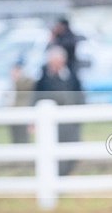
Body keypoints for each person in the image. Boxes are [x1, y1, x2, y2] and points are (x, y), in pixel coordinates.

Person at [33, 46, 85, 176]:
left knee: (72, 151)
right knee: (52, 152)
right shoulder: (43, 79)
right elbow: (36, 97)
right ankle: (57, 176)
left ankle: (64, 175)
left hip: (70, 123)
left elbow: (80, 96)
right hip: (52, 124)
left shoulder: (71, 76)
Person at [9, 60, 34, 144]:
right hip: (13, 115)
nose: (13, 74)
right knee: (16, 138)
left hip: (24, 115)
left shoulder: (27, 82)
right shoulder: (12, 84)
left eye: (16, 71)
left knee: (24, 138)